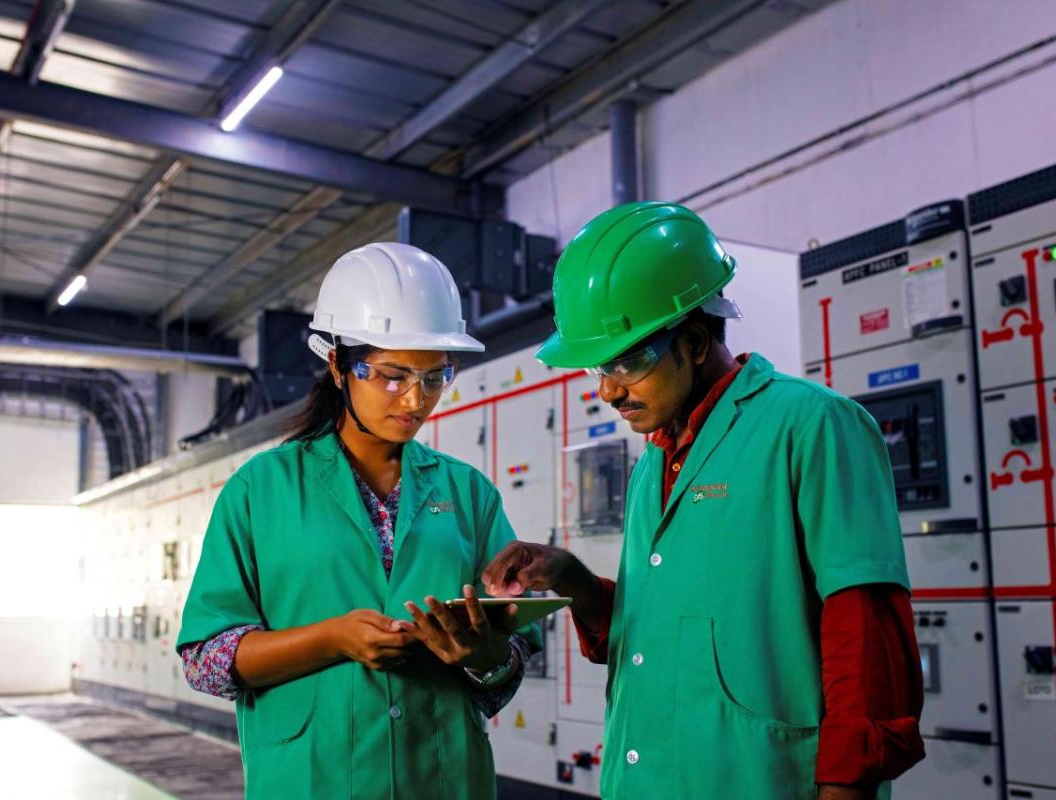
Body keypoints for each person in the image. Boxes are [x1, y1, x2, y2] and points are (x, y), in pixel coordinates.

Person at [483, 203, 925, 799]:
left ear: (692, 341)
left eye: (624, 362)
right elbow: (665, 633)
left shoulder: (813, 427)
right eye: (597, 368)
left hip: (762, 780)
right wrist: (575, 581)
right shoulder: (654, 466)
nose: (609, 390)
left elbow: (864, 629)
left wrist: (846, 787)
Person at [177, 242, 542, 800]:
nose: (415, 399)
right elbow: (206, 661)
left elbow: (508, 664)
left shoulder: (469, 493)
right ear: (338, 364)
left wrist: (484, 656)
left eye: (435, 376)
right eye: (392, 376)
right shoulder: (262, 489)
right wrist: (331, 639)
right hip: (310, 780)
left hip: (442, 781)